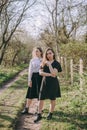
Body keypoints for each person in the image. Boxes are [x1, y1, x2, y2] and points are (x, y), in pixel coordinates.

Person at [34, 47, 62, 122]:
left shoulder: (56, 63)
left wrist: (49, 65)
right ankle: (39, 114)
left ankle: (50, 113)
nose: (48, 55)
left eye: (50, 53)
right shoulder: (43, 62)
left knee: (52, 99)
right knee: (41, 98)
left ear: (53, 54)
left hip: (53, 84)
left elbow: (54, 73)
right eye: (47, 53)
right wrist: (49, 75)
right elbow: (40, 72)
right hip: (44, 82)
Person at [21, 47, 43, 114]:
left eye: (37, 51)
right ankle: (26, 108)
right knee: (30, 94)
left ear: (41, 52)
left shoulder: (43, 60)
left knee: (40, 94)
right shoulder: (32, 60)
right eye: (35, 51)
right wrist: (29, 80)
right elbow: (30, 71)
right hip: (33, 77)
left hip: (41, 78)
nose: (36, 53)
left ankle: (38, 109)